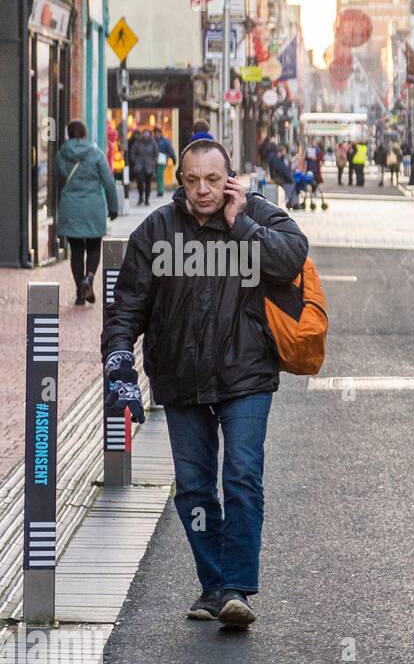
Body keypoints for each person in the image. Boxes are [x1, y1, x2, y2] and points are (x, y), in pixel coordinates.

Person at [102, 138, 309, 628]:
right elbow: (127, 305)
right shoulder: (157, 229)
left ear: (230, 178)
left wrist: (242, 224)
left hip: (247, 373)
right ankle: (214, 584)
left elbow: (290, 259)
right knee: (194, 488)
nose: (202, 190)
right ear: (180, 181)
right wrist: (119, 366)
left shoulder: (258, 215)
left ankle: (237, 587)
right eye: (192, 180)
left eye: (213, 180)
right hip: (180, 377)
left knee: (240, 477)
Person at [56, 120, 120, 305]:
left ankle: (79, 292)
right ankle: (89, 278)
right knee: (93, 248)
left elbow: (58, 179)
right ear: (84, 134)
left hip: (71, 208)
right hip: (93, 208)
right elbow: (108, 182)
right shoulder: (96, 153)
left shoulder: (62, 154)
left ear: (69, 134)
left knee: (76, 251)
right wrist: (113, 207)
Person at [128, 127, 158, 205]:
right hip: (139, 166)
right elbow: (132, 153)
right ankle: (141, 197)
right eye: (145, 134)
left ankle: (147, 199)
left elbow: (156, 154)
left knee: (148, 184)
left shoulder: (152, 143)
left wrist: (153, 162)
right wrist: (135, 161)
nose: (146, 136)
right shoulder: (137, 143)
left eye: (147, 134)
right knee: (140, 182)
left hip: (149, 166)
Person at [153, 126, 177, 197]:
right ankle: (159, 189)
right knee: (157, 175)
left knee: (159, 175)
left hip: (162, 160)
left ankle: (160, 190)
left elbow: (170, 150)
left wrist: (174, 159)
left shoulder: (165, 141)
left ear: (160, 133)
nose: (157, 134)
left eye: (158, 132)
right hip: (154, 160)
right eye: (156, 132)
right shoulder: (153, 140)